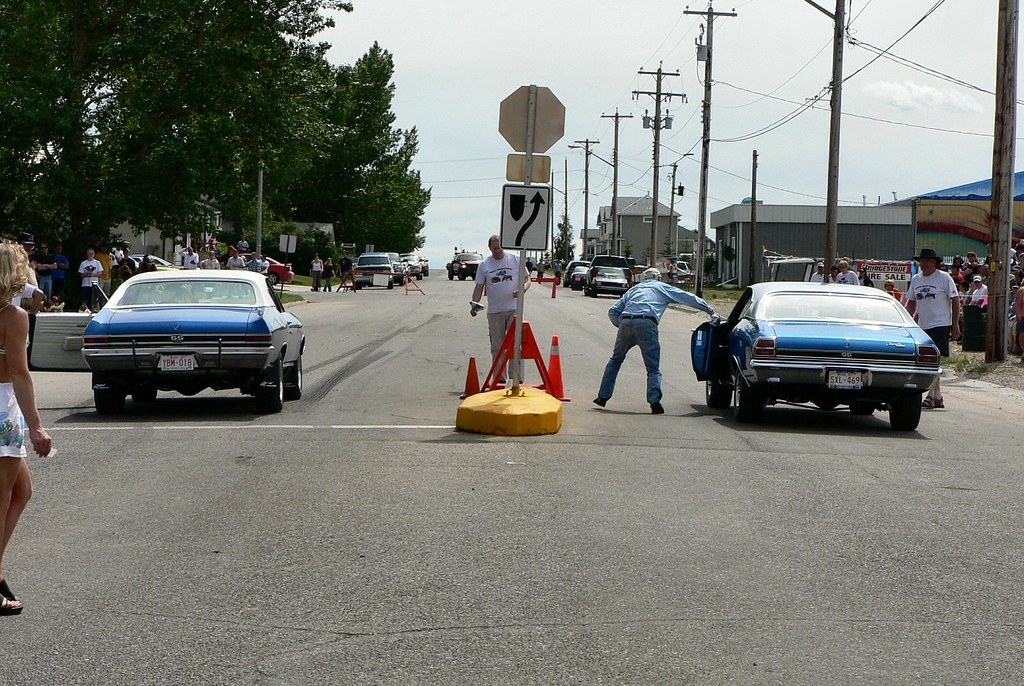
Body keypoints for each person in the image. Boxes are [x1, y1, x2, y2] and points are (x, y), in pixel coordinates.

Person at [0, 241, 54, 616]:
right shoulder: (13, 317)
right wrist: (37, 426)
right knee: (1, 500)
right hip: (3, 407)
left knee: (23, 489)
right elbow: (19, 372)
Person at [594, 267, 715, 414]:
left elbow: (613, 311)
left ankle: (602, 397)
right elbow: (687, 298)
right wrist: (710, 310)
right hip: (647, 323)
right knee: (652, 368)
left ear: (644, 278)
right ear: (658, 278)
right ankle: (654, 401)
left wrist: (621, 326)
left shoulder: (634, 289)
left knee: (615, 361)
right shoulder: (661, 287)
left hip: (626, 321)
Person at [905, 248, 960, 409]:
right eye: (922, 260)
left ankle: (930, 395)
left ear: (934, 262)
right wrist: (906, 320)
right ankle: (938, 396)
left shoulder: (944, 278)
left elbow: (955, 300)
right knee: (931, 362)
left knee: (934, 360)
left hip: (941, 324)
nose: (924, 263)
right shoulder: (916, 279)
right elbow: (911, 302)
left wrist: (955, 324)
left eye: (927, 260)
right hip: (923, 325)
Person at [471, 235, 530, 384]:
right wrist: (474, 304)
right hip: (495, 310)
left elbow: (528, 280)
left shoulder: (515, 260)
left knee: (515, 343)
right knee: (497, 346)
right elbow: (479, 287)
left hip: (514, 308)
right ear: (490, 249)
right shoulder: (484, 265)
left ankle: (516, 377)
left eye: (499, 247)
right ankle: (499, 378)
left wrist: (522, 289)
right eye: (494, 248)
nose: (497, 251)